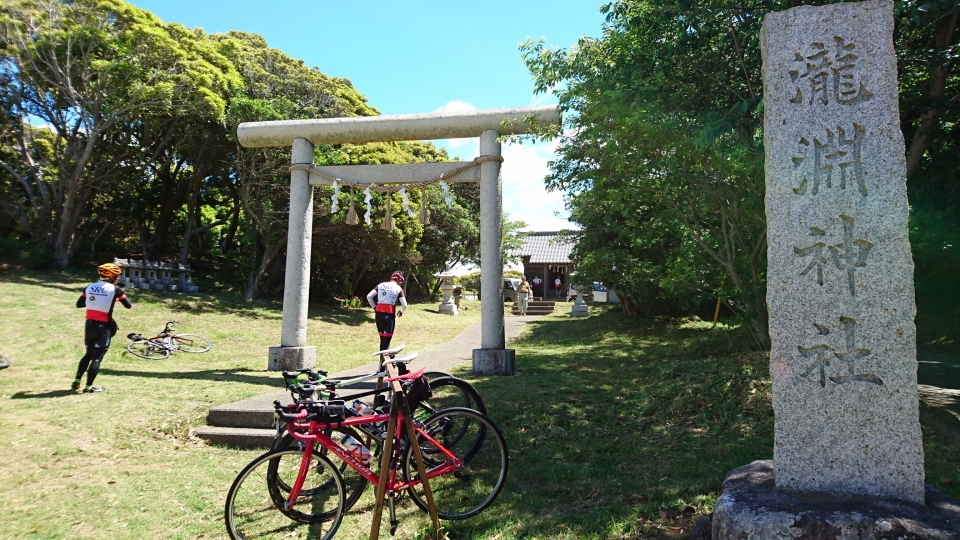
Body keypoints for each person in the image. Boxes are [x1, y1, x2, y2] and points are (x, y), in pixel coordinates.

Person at [73, 262, 132, 393]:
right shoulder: (115, 289)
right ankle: (88, 386)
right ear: (113, 276)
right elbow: (128, 305)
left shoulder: (90, 287)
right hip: (104, 327)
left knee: (88, 354)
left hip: (89, 325)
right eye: (117, 276)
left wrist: (96, 301)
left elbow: (79, 304)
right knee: (97, 358)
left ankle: (77, 379)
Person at [366, 271, 407, 352]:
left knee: (383, 340)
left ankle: (383, 359)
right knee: (386, 341)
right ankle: (384, 359)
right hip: (389, 316)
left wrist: (375, 307)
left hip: (379, 316)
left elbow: (369, 296)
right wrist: (401, 311)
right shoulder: (398, 288)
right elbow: (404, 305)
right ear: (400, 281)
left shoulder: (381, 285)